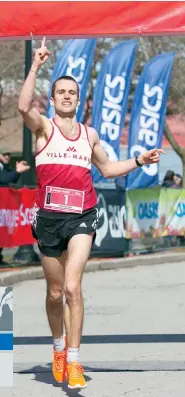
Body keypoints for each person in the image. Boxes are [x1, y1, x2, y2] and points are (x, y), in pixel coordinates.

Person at [18, 37, 164, 389]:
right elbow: (23, 107)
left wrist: (139, 160)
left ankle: (75, 360)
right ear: (52, 100)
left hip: (82, 213)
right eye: (61, 92)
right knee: (54, 293)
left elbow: (109, 169)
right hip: (50, 218)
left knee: (72, 287)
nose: (67, 96)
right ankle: (57, 347)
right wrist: (36, 65)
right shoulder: (44, 129)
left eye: (72, 92)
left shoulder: (89, 134)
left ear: (78, 100)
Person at [0, 149, 30, 265]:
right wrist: (17, 172)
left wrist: (16, 172)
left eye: (8, 154)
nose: (7, 157)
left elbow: (10, 178)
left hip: (3, 207)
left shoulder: (4, 167)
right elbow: (4, 179)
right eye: (4, 154)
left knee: (3, 231)